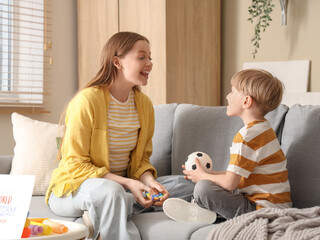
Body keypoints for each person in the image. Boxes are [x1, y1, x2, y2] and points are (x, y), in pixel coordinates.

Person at [45, 32, 193, 240]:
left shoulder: (144, 105)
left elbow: (141, 161)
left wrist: (149, 182)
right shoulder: (87, 100)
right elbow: (75, 164)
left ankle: (105, 211)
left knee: (188, 186)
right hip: (74, 189)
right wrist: (128, 184)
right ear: (117, 62)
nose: (149, 63)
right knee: (111, 192)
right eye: (142, 57)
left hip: (122, 187)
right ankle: (112, 206)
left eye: (150, 58)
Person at [163, 69, 292, 223]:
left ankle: (203, 209)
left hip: (262, 212)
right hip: (276, 208)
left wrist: (203, 176)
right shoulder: (265, 130)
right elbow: (236, 177)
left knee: (203, 188)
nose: (227, 96)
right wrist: (206, 174)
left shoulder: (247, 137)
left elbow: (230, 184)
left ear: (246, 101)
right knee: (203, 182)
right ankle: (204, 208)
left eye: (232, 92)